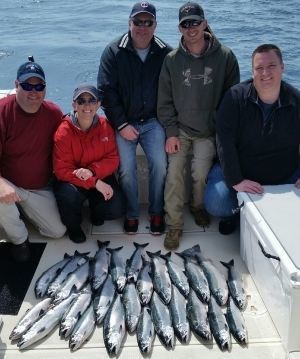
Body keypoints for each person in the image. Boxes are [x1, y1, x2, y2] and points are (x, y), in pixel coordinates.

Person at [157, 1, 240, 250]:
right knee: (173, 176)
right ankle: (174, 225)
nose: (191, 27)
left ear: (204, 23)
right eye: (185, 24)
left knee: (200, 175)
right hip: (180, 129)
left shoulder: (225, 56)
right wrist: (171, 133)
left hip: (208, 131)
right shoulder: (171, 60)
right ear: (179, 28)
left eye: (195, 22)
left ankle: (197, 206)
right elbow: (164, 101)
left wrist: (220, 132)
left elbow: (231, 99)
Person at [204, 44, 300, 235]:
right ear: (252, 70)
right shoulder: (234, 98)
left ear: (282, 67)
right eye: (259, 68)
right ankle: (236, 213)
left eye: (271, 66)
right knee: (216, 203)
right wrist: (236, 180)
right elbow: (224, 142)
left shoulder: (296, 101)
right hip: (240, 172)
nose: (265, 73)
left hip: (284, 175)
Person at [97, 1, 172, 235]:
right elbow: (106, 91)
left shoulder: (165, 52)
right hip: (123, 123)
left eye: (147, 22)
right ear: (129, 23)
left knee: (160, 165)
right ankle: (131, 213)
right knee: (127, 170)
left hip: (153, 122)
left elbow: (173, 91)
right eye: (137, 21)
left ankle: (156, 211)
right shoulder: (113, 51)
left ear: (155, 25)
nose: (142, 27)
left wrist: (169, 125)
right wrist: (121, 124)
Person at [0, 57, 66, 262]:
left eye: (39, 87)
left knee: (57, 231)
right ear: (16, 85)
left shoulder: (54, 113)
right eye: (27, 85)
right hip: (7, 183)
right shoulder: (2, 112)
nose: (33, 92)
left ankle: (17, 211)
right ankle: (19, 240)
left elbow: (71, 140)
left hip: (38, 188)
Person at [53, 84, 124, 243]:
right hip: (73, 180)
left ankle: (96, 211)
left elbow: (113, 159)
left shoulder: (106, 126)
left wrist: (92, 172)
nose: (87, 105)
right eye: (81, 101)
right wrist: (95, 182)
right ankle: (74, 227)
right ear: (74, 105)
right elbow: (61, 170)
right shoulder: (63, 132)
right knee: (67, 196)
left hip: (96, 174)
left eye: (92, 100)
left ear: (98, 104)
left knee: (116, 209)